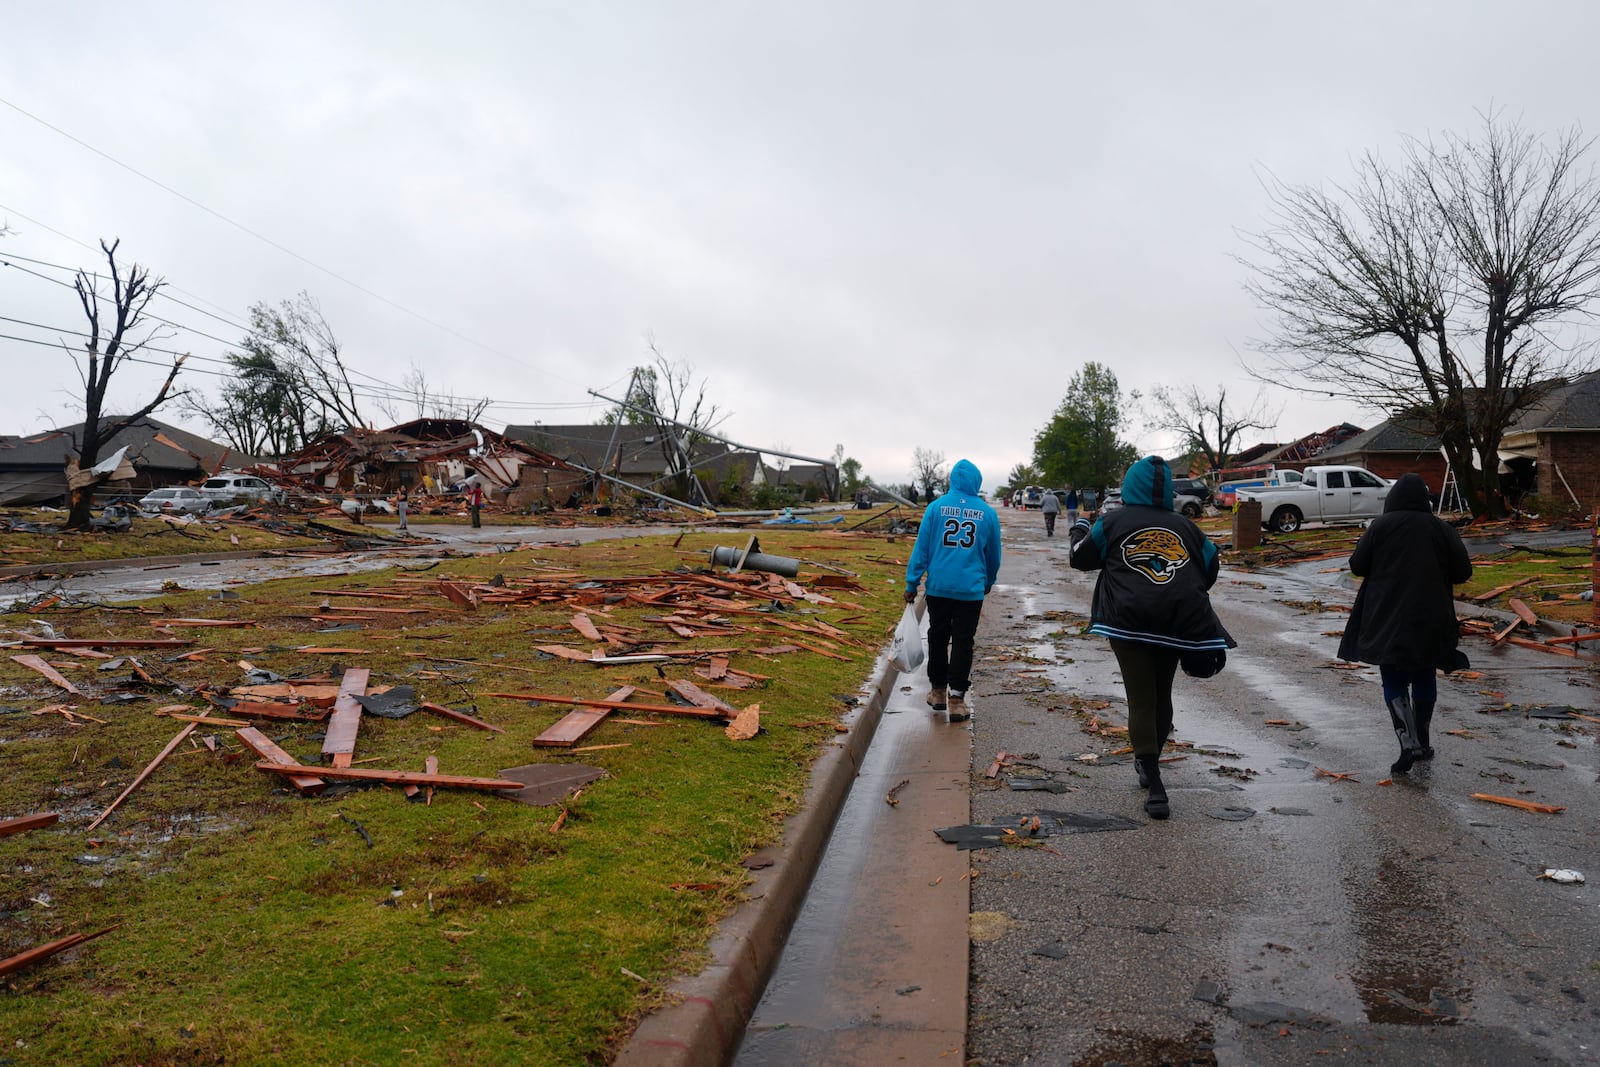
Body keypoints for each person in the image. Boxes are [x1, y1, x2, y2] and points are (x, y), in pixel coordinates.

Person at [1068, 456, 1235, 819]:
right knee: (1161, 693)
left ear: (1130, 486)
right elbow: (1210, 566)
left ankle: (1154, 781)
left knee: (1141, 697)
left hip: (1127, 622)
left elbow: (1079, 559)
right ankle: (1151, 764)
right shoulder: (1186, 526)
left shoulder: (1113, 521)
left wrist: (1081, 527)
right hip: (1176, 621)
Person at [1337, 473, 1472, 774]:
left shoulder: (1380, 527)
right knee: (1425, 672)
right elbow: (1463, 570)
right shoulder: (1441, 528)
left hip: (1387, 615)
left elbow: (1357, 566)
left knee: (1394, 677)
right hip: (1432, 614)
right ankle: (1422, 741)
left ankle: (1407, 741)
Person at [905, 458, 1003, 723]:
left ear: (952, 481)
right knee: (963, 641)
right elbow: (993, 554)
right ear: (977, 481)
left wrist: (911, 583)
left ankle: (937, 691)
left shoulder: (935, 508)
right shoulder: (987, 513)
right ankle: (957, 699)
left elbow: (922, 549)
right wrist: (989, 580)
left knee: (937, 636)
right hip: (970, 590)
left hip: (939, 587)